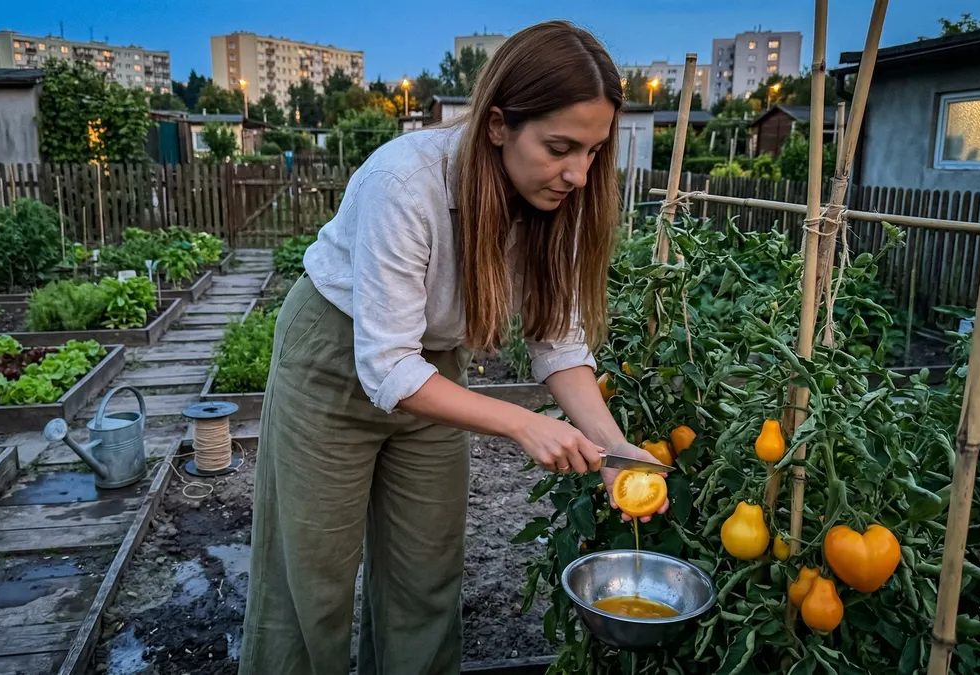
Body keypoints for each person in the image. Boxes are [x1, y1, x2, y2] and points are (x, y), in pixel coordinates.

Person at [239, 19, 667, 675]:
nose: (579, 174)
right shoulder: (404, 183)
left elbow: (558, 341)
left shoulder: (559, 203)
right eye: (560, 147)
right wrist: (522, 423)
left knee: (426, 575)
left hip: (433, 370)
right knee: (312, 583)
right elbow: (383, 365)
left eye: (592, 151)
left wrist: (613, 452)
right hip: (331, 357)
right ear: (498, 125)